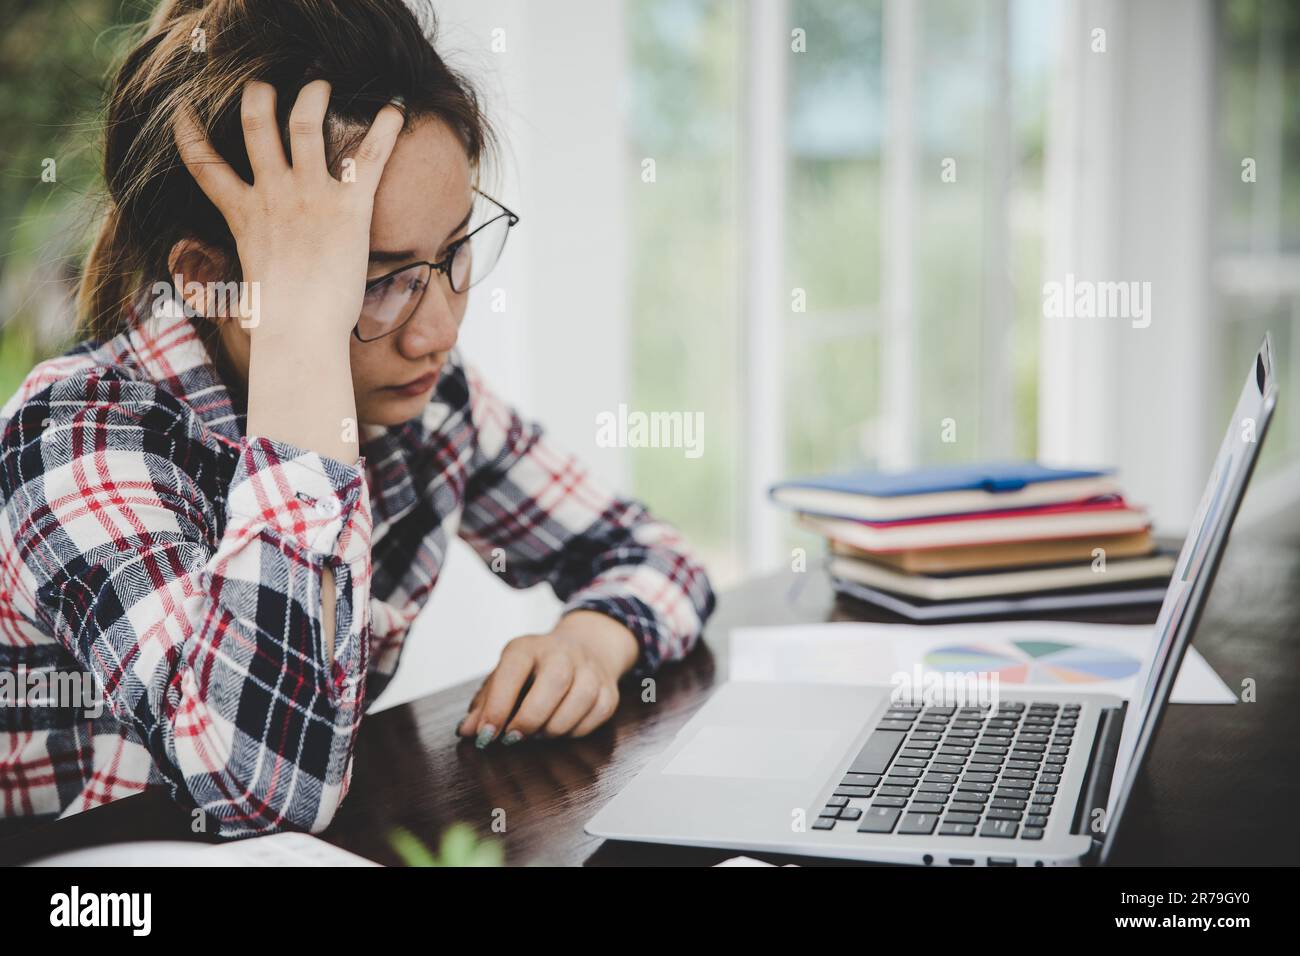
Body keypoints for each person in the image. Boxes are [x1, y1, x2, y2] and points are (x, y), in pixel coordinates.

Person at [0, 0, 714, 838]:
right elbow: (262, 789)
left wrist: (596, 639)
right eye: (373, 280)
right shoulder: (76, 440)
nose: (440, 329)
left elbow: (651, 553)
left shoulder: (429, 404)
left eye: (453, 252)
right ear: (204, 275)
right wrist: (302, 328)